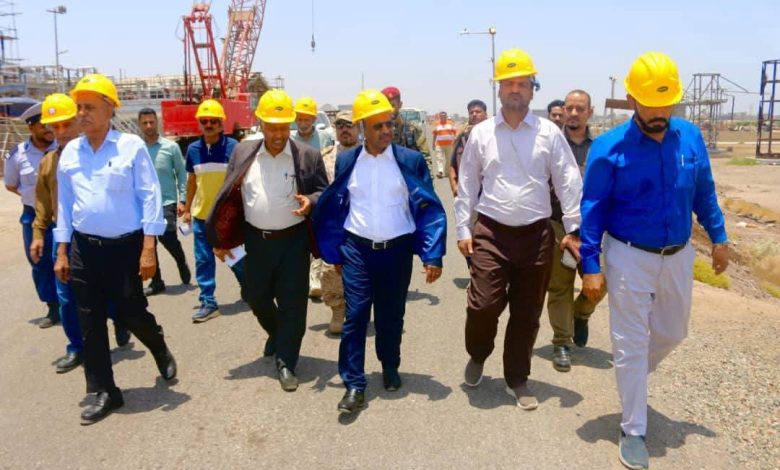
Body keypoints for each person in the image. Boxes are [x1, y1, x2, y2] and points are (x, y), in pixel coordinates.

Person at [579, 52, 729, 470]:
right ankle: (633, 429)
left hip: (678, 256)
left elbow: (704, 191)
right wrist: (590, 266)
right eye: (650, 104)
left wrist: (719, 237)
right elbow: (592, 210)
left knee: (673, 332)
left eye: (667, 103)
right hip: (628, 257)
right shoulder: (609, 149)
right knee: (630, 343)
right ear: (632, 99)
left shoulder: (690, 137)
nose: (659, 113)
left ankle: (631, 378)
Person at [454, 48, 582, 410]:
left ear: (532, 89)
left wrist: (573, 228)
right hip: (491, 233)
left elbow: (568, 180)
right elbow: (468, 183)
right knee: (483, 306)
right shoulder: (481, 133)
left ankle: (517, 378)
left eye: (522, 84)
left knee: (526, 315)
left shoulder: (549, 133)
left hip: (536, 236)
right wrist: (463, 229)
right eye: (508, 83)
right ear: (498, 89)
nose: (515, 89)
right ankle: (478, 353)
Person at [53, 74, 177, 425]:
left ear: (110, 110)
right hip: (83, 248)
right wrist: (61, 251)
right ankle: (104, 390)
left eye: (89, 107)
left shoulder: (131, 147)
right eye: (79, 107)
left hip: (125, 247)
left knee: (131, 311)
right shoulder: (70, 153)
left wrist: (149, 248)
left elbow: (150, 195)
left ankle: (158, 345)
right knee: (90, 321)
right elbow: (65, 205)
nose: (82, 113)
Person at [314, 89, 446, 414]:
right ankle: (354, 384)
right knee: (356, 315)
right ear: (362, 128)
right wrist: (335, 252)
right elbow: (338, 207)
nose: (386, 131)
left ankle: (390, 365)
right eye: (378, 126)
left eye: (389, 124)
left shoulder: (410, 161)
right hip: (357, 250)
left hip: (396, 251)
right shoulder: (347, 161)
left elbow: (428, 207)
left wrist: (432, 254)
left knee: (391, 316)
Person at [207, 89, 328, 392]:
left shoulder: (308, 156)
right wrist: (221, 238)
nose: (278, 134)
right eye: (272, 127)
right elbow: (229, 196)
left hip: (293, 242)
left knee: (293, 304)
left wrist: (311, 201)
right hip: (256, 241)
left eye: (283, 127)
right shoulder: (243, 152)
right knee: (255, 296)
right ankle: (277, 332)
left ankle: (286, 361)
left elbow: (324, 192)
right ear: (260, 123)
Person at [30, 93, 130, 374]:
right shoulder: (48, 162)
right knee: (66, 297)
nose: (60, 132)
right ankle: (77, 347)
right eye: (55, 126)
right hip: (64, 237)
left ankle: (119, 318)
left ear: (78, 121)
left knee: (106, 291)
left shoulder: (98, 155)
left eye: (66, 124)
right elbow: (43, 202)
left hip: (96, 236)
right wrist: (38, 234)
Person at [545, 89, 602, 372]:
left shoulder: (602, 147)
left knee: (601, 282)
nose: (574, 113)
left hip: (595, 228)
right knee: (560, 286)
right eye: (569, 108)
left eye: (580, 109)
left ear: (590, 112)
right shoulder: (551, 145)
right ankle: (561, 342)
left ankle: (581, 314)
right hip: (558, 226)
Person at [182, 99, 246, 322]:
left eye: (213, 121)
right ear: (199, 123)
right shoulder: (193, 150)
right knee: (203, 260)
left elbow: (242, 180)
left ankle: (249, 287)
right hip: (201, 217)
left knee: (234, 258)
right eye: (204, 121)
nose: (208, 125)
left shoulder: (234, 148)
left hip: (227, 218)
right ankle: (208, 302)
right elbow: (192, 181)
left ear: (221, 124)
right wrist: (187, 209)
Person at [4, 102, 59, 328]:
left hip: (62, 215)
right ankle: (53, 307)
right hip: (32, 215)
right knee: (40, 262)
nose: (49, 129)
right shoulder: (17, 155)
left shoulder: (65, 148)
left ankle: (75, 303)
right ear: (31, 128)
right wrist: (35, 198)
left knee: (71, 260)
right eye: (43, 125)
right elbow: (10, 184)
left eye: (50, 124)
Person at [137, 108, 191, 296]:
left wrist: (182, 200)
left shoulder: (171, 147)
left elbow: (181, 174)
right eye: (145, 123)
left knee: (167, 237)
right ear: (139, 125)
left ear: (157, 122)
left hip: (167, 202)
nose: (148, 126)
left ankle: (181, 260)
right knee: (148, 243)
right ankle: (157, 281)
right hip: (144, 205)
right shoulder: (137, 149)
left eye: (151, 122)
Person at [318, 110, 360, 334]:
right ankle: (337, 309)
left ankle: (356, 310)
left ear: (358, 128)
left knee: (362, 271)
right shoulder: (325, 156)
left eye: (349, 125)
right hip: (335, 224)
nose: (345, 129)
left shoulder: (369, 155)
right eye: (340, 125)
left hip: (362, 223)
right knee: (331, 270)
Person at [290, 96, 331, 299]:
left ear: (314, 120)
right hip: (297, 193)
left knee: (316, 236)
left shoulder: (325, 138)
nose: (303, 123)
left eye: (307, 119)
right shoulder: (289, 139)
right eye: (300, 118)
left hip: (318, 191)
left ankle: (315, 279)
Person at [381, 86, 431, 172]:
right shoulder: (376, 132)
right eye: (385, 106)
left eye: (392, 105)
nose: (389, 110)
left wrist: (426, 179)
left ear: (400, 105)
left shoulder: (412, 129)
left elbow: (426, 159)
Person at [449, 99, 488, 196]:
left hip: (490, 192)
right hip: (466, 191)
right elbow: (452, 165)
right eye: (471, 112)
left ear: (486, 114)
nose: (474, 114)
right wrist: (454, 186)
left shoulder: (494, 136)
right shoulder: (462, 137)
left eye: (478, 112)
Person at [432, 111, 457, 178]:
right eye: (441, 116)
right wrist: (433, 144)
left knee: (449, 159)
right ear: (440, 117)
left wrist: (455, 143)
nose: (443, 117)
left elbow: (455, 133)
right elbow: (434, 134)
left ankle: (447, 173)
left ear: (446, 116)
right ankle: (440, 172)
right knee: (439, 158)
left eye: (444, 116)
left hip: (449, 145)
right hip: (439, 145)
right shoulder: (436, 124)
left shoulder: (451, 123)